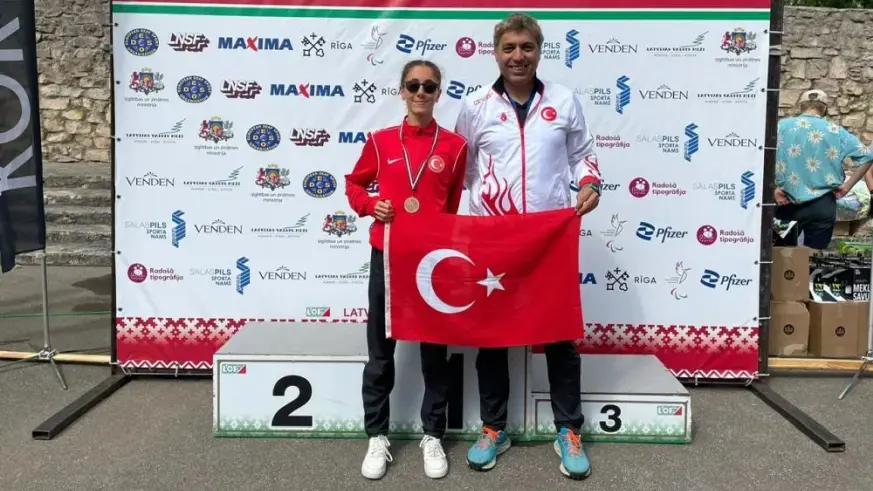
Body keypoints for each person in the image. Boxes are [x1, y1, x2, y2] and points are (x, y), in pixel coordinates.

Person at [453, 12, 602, 481]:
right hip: (493, 238)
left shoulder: (564, 100)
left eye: (526, 47)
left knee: (559, 333)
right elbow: (462, 169)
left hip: (548, 238)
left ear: (539, 51)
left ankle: (568, 429)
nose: (518, 56)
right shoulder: (475, 105)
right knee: (492, 336)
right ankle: (494, 427)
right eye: (509, 48)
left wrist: (590, 182)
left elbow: (583, 154)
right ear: (495, 53)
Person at [344, 59, 468, 481]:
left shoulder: (455, 147)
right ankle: (376, 434)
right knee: (381, 352)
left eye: (429, 86)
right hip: (388, 255)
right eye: (413, 85)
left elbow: (451, 204)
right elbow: (354, 184)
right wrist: (369, 204)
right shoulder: (380, 141)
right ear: (401, 91)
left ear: (438, 94)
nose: (420, 92)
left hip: (432, 261)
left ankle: (432, 434)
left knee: (435, 351)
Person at [774, 89, 873, 249]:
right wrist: (847, 187)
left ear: (801, 106)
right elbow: (867, 156)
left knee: (781, 254)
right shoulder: (836, 131)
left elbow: (760, 156)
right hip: (823, 204)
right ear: (825, 108)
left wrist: (773, 187)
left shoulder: (781, 127)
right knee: (814, 257)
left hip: (786, 202)